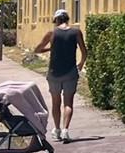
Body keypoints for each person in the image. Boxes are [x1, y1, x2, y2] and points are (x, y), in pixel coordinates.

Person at [35, 9, 87, 142]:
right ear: (67, 19)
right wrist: (80, 63)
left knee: (56, 102)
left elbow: (37, 49)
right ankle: (65, 130)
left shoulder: (52, 33)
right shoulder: (76, 32)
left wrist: (50, 48)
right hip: (70, 72)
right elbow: (84, 51)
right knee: (68, 103)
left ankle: (57, 129)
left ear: (56, 20)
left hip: (54, 73)